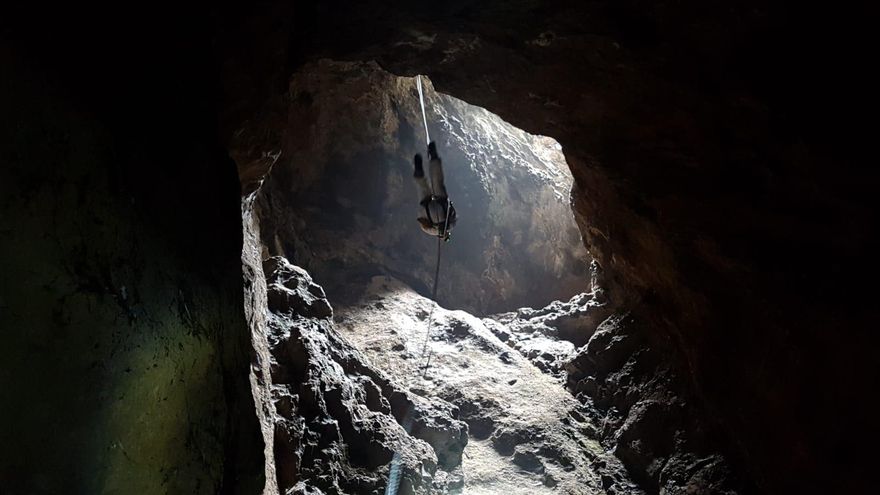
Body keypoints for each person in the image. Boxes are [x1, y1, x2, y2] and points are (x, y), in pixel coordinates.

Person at [413, 141, 456, 241]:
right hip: (426, 210)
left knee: (438, 184)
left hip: (440, 209)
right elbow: (421, 221)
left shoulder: (450, 226)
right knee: (424, 191)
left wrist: (448, 205)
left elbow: (452, 212)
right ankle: (419, 175)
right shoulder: (430, 232)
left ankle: (434, 158)